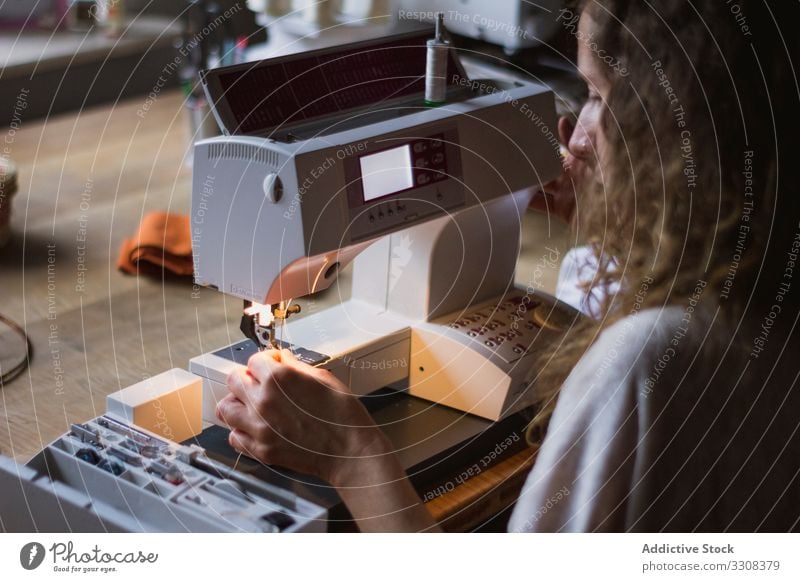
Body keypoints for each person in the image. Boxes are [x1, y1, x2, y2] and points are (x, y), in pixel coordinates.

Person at [216, 0, 800, 532]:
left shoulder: (645, 361)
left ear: (669, 132)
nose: (574, 139)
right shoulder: (754, 297)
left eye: (597, 95)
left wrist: (350, 452)